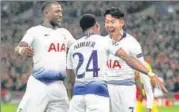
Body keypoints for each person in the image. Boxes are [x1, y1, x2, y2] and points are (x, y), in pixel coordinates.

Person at [66, 14, 165, 112]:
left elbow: (70, 76)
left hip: (77, 95)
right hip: (97, 94)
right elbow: (127, 57)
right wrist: (149, 73)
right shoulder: (104, 41)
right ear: (96, 26)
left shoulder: (73, 46)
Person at [104, 7, 168, 112]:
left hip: (126, 89)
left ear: (121, 22)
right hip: (107, 88)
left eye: (112, 22)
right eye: (107, 22)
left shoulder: (132, 43)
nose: (109, 25)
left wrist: (150, 102)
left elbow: (143, 71)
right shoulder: (103, 42)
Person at [15, 1, 75, 112]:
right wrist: (22, 50)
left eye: (61, 11)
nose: (60, 14)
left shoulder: (64, 33)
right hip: (39, 84)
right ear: (46, 13)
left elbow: (78, 47)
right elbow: (18, 48)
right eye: (57, 11)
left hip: (59, 87)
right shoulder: (34, 31)